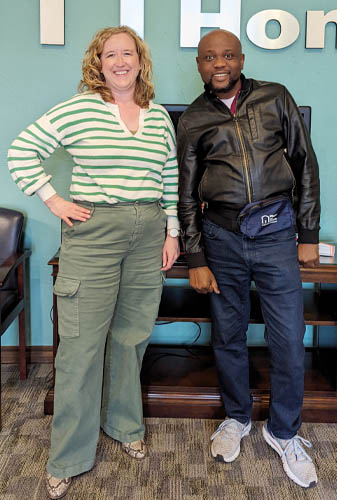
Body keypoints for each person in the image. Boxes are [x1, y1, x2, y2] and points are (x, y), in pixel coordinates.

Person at [8, 26, 180, 499]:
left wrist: (173, 231)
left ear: (141, 61)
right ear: (98, 63)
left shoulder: (159, 115)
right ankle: (68, 456)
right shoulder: (79, 109)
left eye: (129, 53)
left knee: (131, 338)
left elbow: (169, 175)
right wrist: (53, 199)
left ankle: (124, 427)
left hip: (148, 234)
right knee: (81, 349)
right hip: (94, 234)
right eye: (111, 54)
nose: (120, 61)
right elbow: (21, 150)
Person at [177, 29, 320, 489]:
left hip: (277, 234)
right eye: (209, 57)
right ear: (199, 64)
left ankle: (284, 432)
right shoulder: (194, 118)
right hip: (221, 240)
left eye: (228, 55)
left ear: (241, 59)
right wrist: (195, 255)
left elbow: (305, 163)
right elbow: (184, 193)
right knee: (229, 334)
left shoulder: (275, 97)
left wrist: (309, 232)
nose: (219, 64)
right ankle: (236, 418)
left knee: (288, 338)